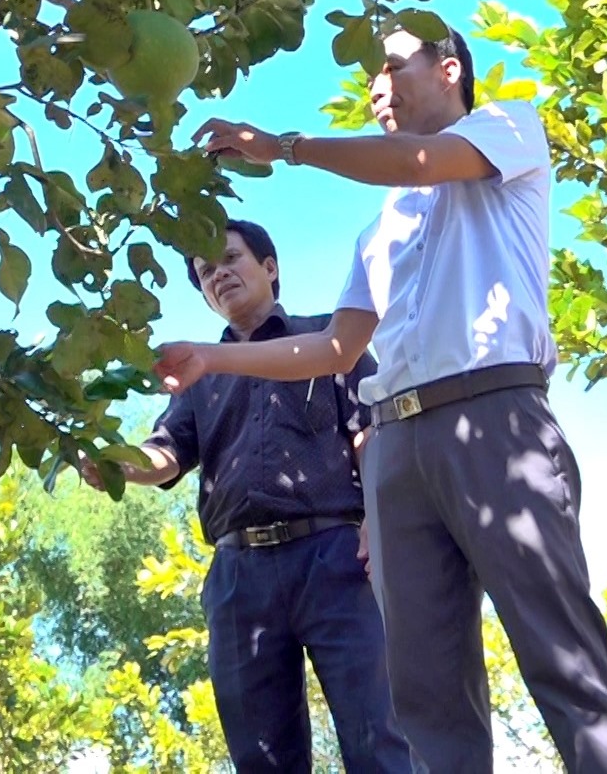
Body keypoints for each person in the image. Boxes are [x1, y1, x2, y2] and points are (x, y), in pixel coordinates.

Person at [154, 27, 607, 773]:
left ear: (448, 69)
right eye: (370, 76)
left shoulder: (508, 128)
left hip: (493, 419)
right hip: (395, 451)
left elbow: (415, 160)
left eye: (390, 67)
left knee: (561, 654)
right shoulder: (380, 229)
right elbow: (331, 351)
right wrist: (210, 356)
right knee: (422, 695)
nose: (376, 86)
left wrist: (282, 145)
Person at [79, 219, 412, 772]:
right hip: (238, 580)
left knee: (377, 737)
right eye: (207, 272)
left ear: (269, 267)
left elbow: (368, 431)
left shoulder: (329, 340)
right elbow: (167, 455)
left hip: (335, 560)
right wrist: (117, 465)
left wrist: (377, 520)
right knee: (261, 758)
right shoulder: (199, 376)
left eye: (230, 258)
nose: (219, 274)